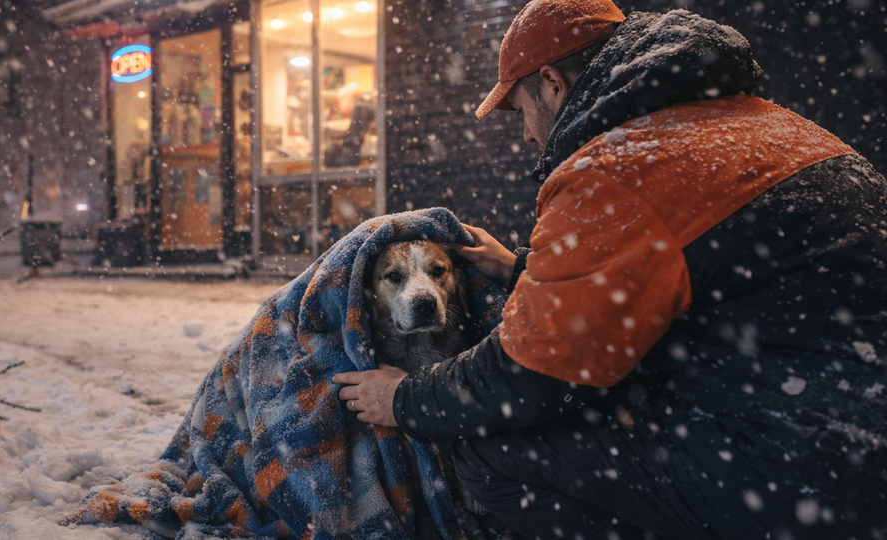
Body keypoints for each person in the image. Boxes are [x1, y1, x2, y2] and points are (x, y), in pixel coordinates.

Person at [333, 0, 887, 538]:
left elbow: (531, 376)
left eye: (523, 113)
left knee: (490, 452)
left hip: (809, 469)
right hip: (852, 430)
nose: (527, 136)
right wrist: (520, 268)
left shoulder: (614, 170)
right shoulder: (769, 126)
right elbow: (671, 265)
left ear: (553, 84)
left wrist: (405, 399)